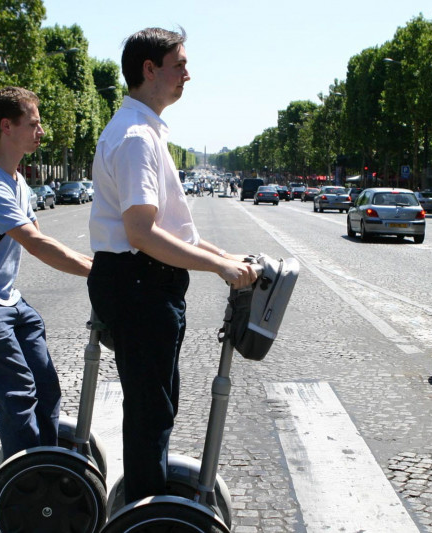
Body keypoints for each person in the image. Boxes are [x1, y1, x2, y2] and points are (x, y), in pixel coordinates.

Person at [88, 27, 256, 504]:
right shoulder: (137, 137)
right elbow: (142, 233)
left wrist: (223, 256)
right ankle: (146, 512)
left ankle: (148, 500)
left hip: (140, 281)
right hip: (139, 282)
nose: (188, 74)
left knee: (155, 405)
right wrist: (218, 269)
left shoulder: (141, 130)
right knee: (150, 411)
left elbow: (174, 230)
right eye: (179, 64)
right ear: (149, 70)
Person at [0, 87, 93, 459]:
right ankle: (25, 493)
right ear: (7, 126)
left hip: (9, 301)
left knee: (46, 387)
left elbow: (41, 236)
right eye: (34, 124)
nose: (41, 131)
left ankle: (46, 465)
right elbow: (35, 244)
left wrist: (96, 264)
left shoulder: (18, 181)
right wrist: (99, 271)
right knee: (19, 396)